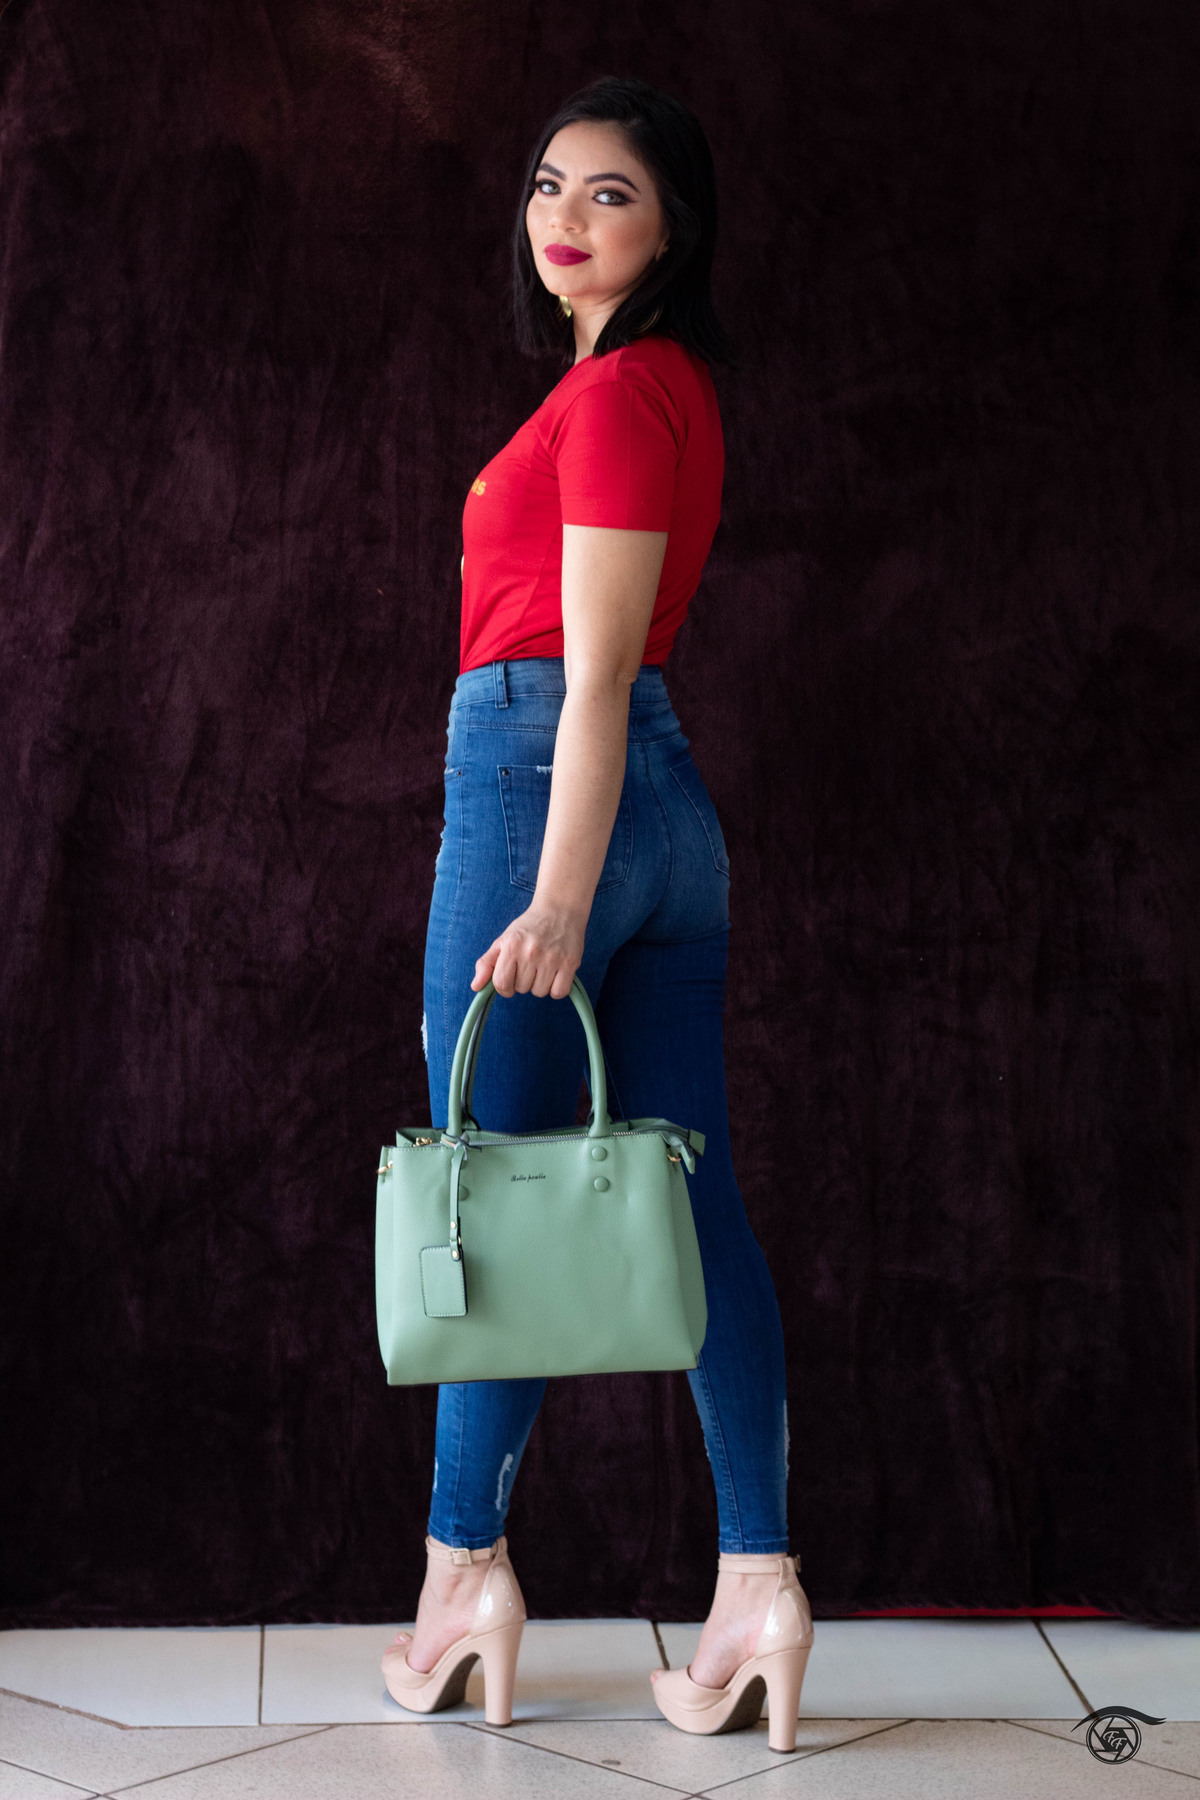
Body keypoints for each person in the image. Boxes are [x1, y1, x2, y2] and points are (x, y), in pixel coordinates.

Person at [381, 75, 814, 1752]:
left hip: (550, 782)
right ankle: (758, 1593)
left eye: (611, 193)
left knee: (485, 1190)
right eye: (550, 184)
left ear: (673, 223)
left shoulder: (627, 393)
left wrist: (558, 892)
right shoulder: (648, 385)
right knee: (694, 1207)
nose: (565, 215)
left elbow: (596, 671)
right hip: (663, 815)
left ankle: (461, 1579)